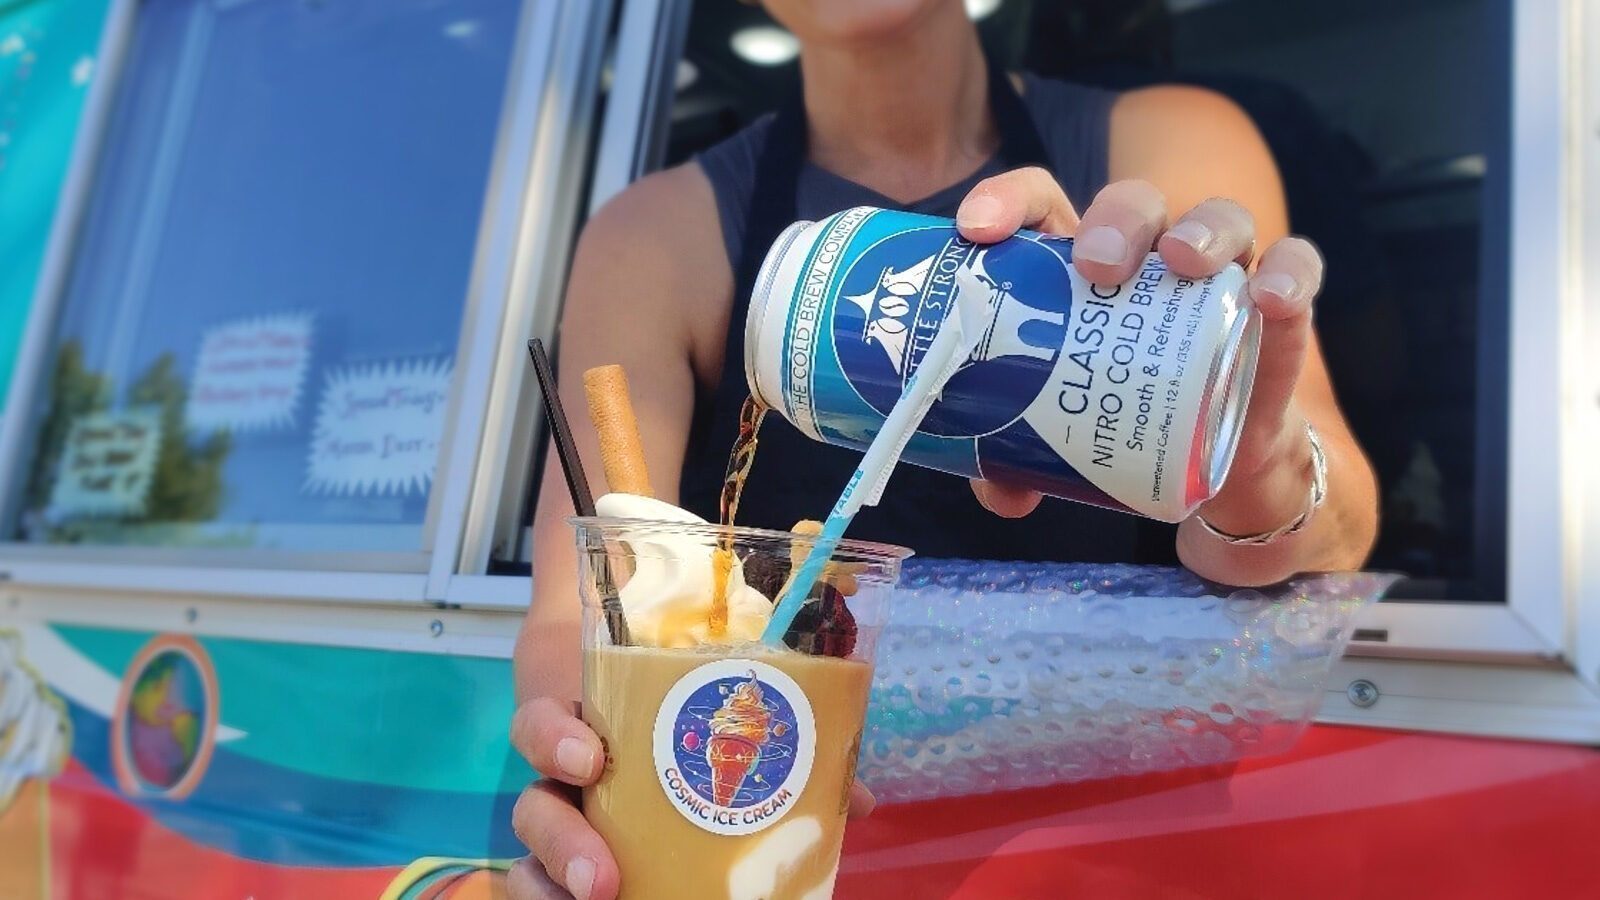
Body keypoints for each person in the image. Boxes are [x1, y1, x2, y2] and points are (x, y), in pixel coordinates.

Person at [508, 1, 1379, 896]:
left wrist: (1251, 461)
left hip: (1128, 859)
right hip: (765, 853)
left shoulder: (1172, 142)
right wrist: (598, 777)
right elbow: (585, 607)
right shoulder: (658, 235)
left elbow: (1338, 532)